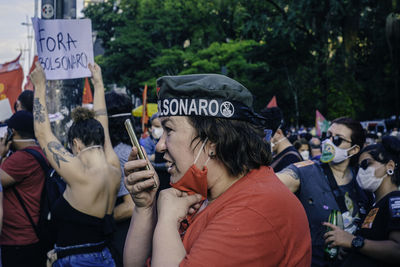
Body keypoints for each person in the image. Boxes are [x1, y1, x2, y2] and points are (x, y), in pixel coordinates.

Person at [123, 74, 312, 266]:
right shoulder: (203, 192)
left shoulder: (253, 210)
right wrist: (144, 208)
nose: (159, 145)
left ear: (212, 141)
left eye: (169, 130)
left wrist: (167, 220)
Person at [30, 62, 121, 266]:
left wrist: (40, 86)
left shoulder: (81, 173)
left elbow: (42, 134)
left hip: (79, 261)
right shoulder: (113, 166)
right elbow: (102, 124)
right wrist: (98, 84)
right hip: (105, 255)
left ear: (76, 145)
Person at [277, 117, 372, 267]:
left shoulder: (364, 179)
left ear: (354, 149)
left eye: (337, 140)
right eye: (327, 136)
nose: (328, 142)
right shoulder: (306, 171)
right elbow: (269, 185)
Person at [323, 135, 400, 266]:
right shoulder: (374, 204)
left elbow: (397, 250)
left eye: (366, 164)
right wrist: (350, 247)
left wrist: (353, 241)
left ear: (390, 166)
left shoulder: (395, 200)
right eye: (358, 167)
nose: (361, 171)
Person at [0, 111, 46, 267]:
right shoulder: (38, 151)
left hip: (17, 240)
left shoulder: (22, 158)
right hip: (28, 237)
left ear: (12, 132)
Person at [105, 90, 135, 267]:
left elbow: (129, 207)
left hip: (122, 236)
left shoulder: (122, 153)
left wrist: (97, 220)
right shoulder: (122, 149)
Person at [260, 107, 303, 172]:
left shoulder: (291, 159)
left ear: (278, 133)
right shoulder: (277, 155)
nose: (264, 140)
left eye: (265, 135)